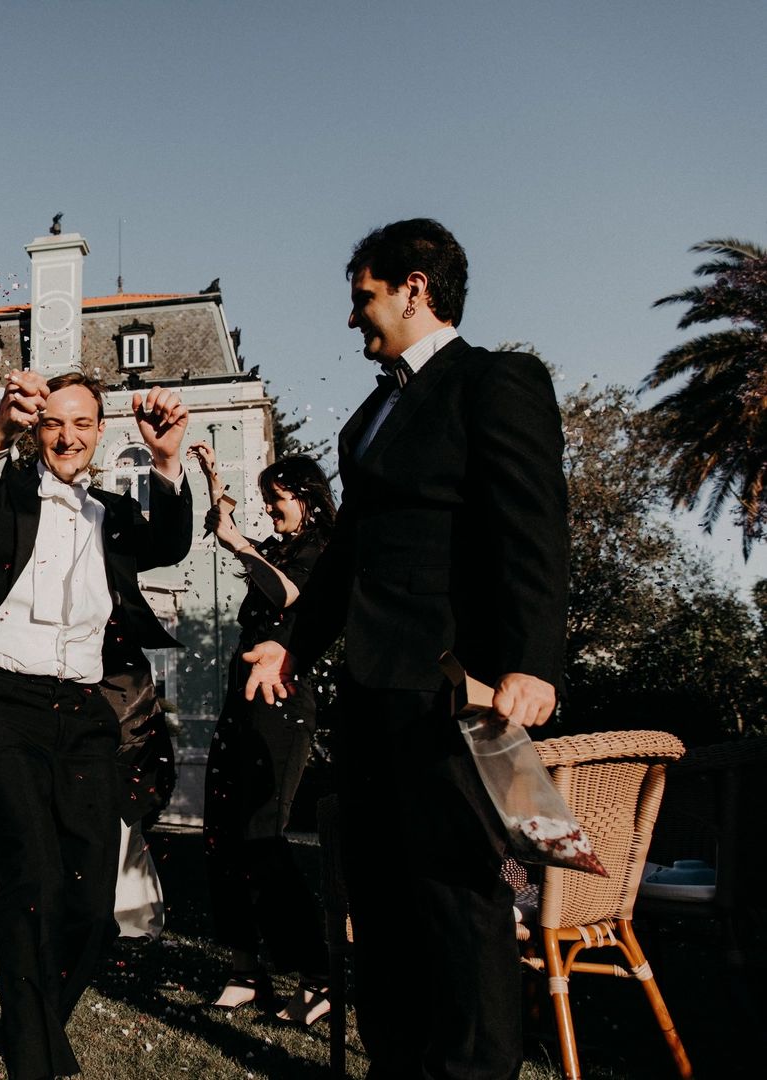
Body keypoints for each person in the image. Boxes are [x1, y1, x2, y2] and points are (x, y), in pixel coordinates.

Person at [243, 218, 569, 1080]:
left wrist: (532, 661)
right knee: (379, 905)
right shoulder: (368, 419)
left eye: (364, 298)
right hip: (371, 698)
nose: (355, 318)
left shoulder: (495, 382)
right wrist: (291, 645)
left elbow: (535, 527)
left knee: (461, 903)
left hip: (458, 701)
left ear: (412, 287)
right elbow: (349, 555)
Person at [0, 369, 193, 1079]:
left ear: (100, 432)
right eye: (54, 421)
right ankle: (33, 1062)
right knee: (31, 876)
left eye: (82, 423)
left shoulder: (110, 513)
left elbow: (171, 544)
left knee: (90, 906)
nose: (67, 435)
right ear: (37, 426)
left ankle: (35, 1028)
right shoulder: (8, 493)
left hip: (83, 711)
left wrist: (169, 462)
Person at [190, 447, 334, 1024]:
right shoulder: (278, 548)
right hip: (242, 695)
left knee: (262, 836)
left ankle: (317, 974)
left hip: (282, 702)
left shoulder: (325, 551)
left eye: (278, 499)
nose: (271, 509)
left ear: (306, 498)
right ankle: (245, 968)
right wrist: (212, 481)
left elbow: (287, 596)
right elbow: (235, 534)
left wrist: (239, 546)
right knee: (222, 830)